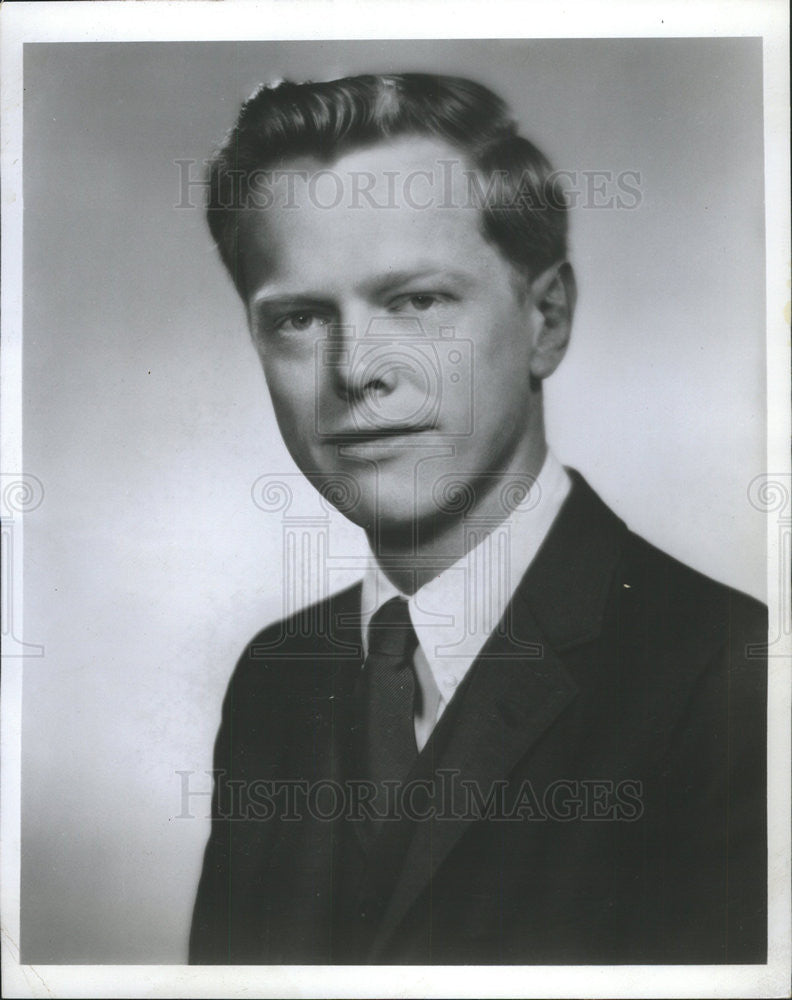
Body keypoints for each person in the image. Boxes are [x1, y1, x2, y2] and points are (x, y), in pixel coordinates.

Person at [189, 73, 767, 965]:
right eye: (301, 318)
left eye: (416, 301)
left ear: (546, 319)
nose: (357, 371)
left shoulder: (733, 678)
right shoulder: (275, 681)